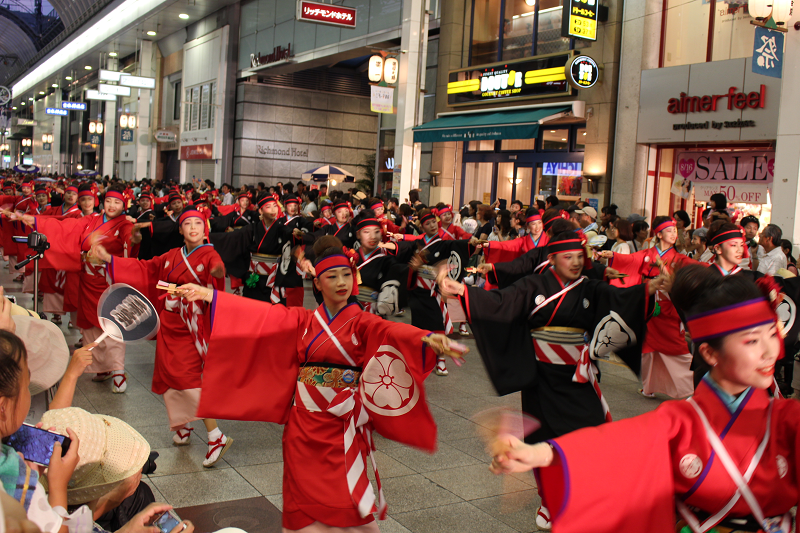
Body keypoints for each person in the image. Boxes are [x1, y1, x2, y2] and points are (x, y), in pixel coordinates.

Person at [178, 236, 463, 532]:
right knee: (300, 495)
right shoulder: (303, 320)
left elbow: (391, 330)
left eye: (346, 275)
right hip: (302, 423)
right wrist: (210, 296)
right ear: (317, 283)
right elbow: (261, 315)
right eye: (331, 276)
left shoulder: (361, 322)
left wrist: (428, 338)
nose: (341, 282)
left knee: (346, 497)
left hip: (342, 427)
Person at [488, 265, 799, 533]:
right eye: (752, 341)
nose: (770, 351)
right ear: (709, 353)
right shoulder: (681, 421)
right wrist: (542, 454)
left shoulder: (787, 419)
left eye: (772, 335)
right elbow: (617, 446)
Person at [438, 231, 665, 530]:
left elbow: (620, 298)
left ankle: (586, 491)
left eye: (579, 257)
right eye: (567, 257)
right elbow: (499, 301)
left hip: (577, 375)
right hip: (541, 376)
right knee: (543, 436)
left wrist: (649, 288)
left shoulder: (591, 288)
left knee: (590, 433)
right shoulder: (533, 285)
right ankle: (548, 498)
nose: (574, 262)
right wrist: (461, 291)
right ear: (551, 259)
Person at [93, 207, 233, 467]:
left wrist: (216, 272)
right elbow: (146, 269)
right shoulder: (171, 255)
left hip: (192, 324)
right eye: (187, 224)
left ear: (206, 229)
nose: (193, 228)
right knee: (169, 376)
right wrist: (110, 260)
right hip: (169, 324)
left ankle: (216, 436)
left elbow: (216, 268)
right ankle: (183, 425)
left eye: (198, 224)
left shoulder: (209, 254)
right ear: (180, 230)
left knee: (188, 379)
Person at [20, 186, 140, 393]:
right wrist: (33, 220)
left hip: (109, 279)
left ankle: (118, 370)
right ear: (103, 202)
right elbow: (66, 227)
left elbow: (130, 239)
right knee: (91, 326)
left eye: (117, 203)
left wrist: (135, 238)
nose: (112, 206)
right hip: (88, 278)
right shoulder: (91, 220)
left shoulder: (124, 224)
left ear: (124, 205)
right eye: (109, 201)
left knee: (112, 324)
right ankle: (102, 367)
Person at [599, 216, 696, 399]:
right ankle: (648, 386)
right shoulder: (647, 254)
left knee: (676, 347)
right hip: (649, 301)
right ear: (659, 234)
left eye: (675, 231)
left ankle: (690, 386)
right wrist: (613, 256)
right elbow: (631, 260)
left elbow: (694, 267)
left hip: (667, 305)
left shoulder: (678, 258)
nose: (674, 234)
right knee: (648, 348)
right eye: (669, 231)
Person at [211, 194, 305, 305]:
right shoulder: (252, 228)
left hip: (273, 279)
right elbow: (231, 238)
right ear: (260, 211)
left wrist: (299, 236)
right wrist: (208, 238)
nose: (273, 209)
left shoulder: (282, 229)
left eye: (275, 206)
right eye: (268, 207)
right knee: (253, 310)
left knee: (273, 314)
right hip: (254, 276)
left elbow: (292, 242)